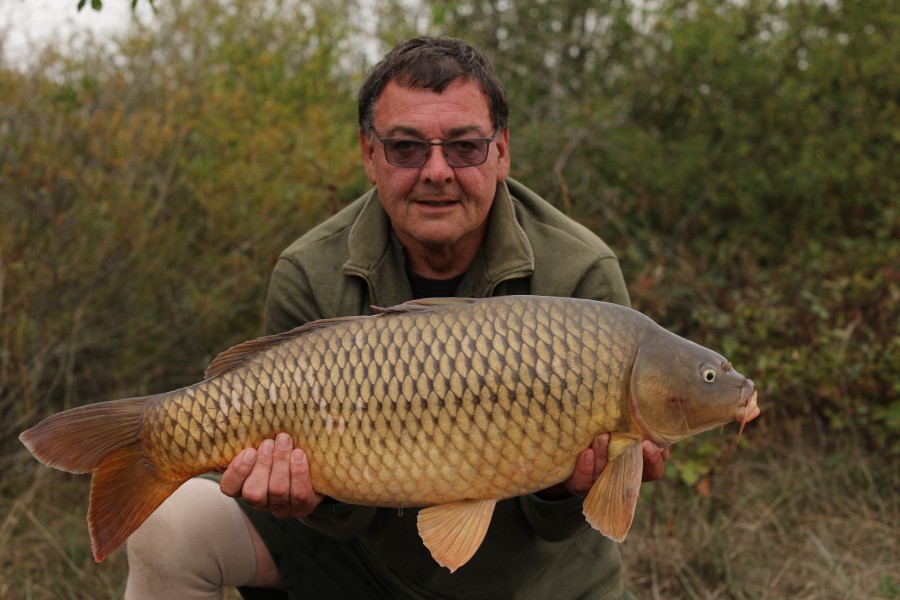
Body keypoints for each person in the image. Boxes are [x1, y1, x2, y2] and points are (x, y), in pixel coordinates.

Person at [125, 36, 669, 600]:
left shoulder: (581, 274)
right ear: (369, 155)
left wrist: (569, 489)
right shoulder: (309, 270)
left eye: (464, 146)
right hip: (358, 565)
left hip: (540, 582)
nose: (436, 171)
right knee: (170, 529)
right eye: (406, 148)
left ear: (501, 151)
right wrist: (310, 495)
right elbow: (332, 515)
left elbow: (565, 525)